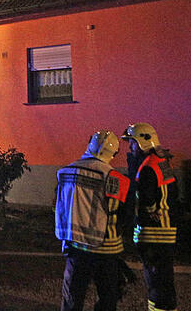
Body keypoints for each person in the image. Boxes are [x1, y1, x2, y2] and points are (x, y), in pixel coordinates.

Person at [54, 130, 132, 311]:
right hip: (107, 248)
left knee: (72, 296)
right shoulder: (117, 179)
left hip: (76, 247)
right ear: (114, 153)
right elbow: (125, 215)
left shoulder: (64, 172)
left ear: (90, 144)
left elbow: (59, 205)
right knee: (107, 297)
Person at [123, 122, 178, 311]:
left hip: (152, 232)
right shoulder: (163, 162)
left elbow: (145, 199)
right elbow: (173, 194)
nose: (130, 147)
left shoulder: (147, 167)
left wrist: (151, 210)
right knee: (165, 278)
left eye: (132, 143)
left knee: (155, 279)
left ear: (143, 142)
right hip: (167, 228)